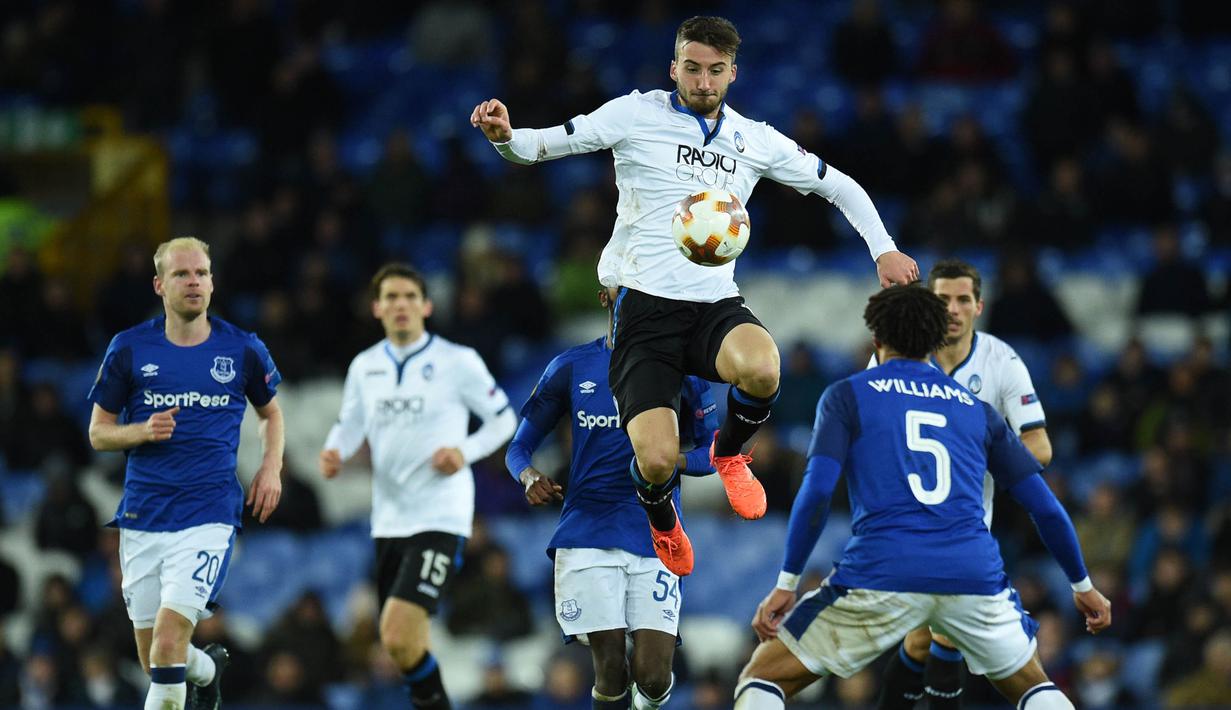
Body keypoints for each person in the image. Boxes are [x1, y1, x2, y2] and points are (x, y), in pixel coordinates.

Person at [471, 15, 918, 577]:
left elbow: (840, 186)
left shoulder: (754, 139)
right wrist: (506, 138)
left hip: (711, 302)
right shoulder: (634, 114)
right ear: (673, 67)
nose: (703, 81)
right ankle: (662, 519)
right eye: (692, 68)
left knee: (763, 368)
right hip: (642, 309)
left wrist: (884, 250)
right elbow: (546, 145)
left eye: (714, 71)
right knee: (656, 461)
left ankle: (729, 454)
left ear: (733, 73)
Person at [733, 285, 1111, 710]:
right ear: (938, 341)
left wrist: (787, 583)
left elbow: (818, 490)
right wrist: (1083, 585)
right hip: (973, 575)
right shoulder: (976, 410)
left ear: (876, 339)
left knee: (762, 677)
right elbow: (1045, 507)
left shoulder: (847, 395)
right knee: (1033, 686)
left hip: (881, 570)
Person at [87, 236, 285, 710]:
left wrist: (270, 468)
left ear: (212, 282)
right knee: (155, 661)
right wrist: (140, 431)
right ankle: (209, 670)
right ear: (160, 285)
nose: (193, 281)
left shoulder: (243, 348)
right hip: (142, 517)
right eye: (181, 274)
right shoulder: (130, 348)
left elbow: (271, 414)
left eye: (201, 273)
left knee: (168, 646)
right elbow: (98, 433)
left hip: (208, 514)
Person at [506, 286, 720, 710]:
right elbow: (518, 448)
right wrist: (528, 476)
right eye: (631, 292)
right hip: (587, 531)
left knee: (654, 676)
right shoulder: (571, 366)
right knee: (610, 668)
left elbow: (714, 452)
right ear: (606, 297)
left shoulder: (682, 370)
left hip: (656, 534)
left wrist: (664, 461)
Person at [319, 263, 517, 710]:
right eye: (390, 297)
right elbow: (350, 424)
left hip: (440, 514)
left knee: (394, 631)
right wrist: (334, 450)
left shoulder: (456, 361)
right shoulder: (365, 366)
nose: (400, 304)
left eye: (409, 296)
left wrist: (463, 452)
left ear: (426, 305)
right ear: (376, 308)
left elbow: (503, 419)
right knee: (404, 646)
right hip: (388, 519)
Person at [872, 259, 1054, 710]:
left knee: (922, 640)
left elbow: (1041, 445)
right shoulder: (895, 354)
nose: (952, 309)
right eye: (942, 299)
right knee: (942, 630)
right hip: (905, 520)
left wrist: (980, 459)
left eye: (962, 300)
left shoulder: (1002, 361)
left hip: (969, 521)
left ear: (979, 306)